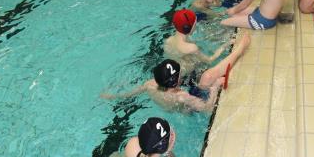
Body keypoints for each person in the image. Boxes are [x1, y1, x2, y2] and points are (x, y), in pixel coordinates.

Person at [101, 33, 251, 112]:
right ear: (177, 80)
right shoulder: (182, 96)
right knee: (208, 77)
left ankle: (235, 51)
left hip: (172, 105)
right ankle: (238, 51)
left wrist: (113, 96)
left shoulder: (150, 84)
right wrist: (214, 88)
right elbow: (207, 109)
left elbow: (131, 94)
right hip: (188, 109)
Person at [164, 9, 234, 74]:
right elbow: (210, 60)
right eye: (195, 23)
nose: (196, 25)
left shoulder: (168, 40)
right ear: (188, 28)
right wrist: (225, 45)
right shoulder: (191, 47)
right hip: (189, 75)